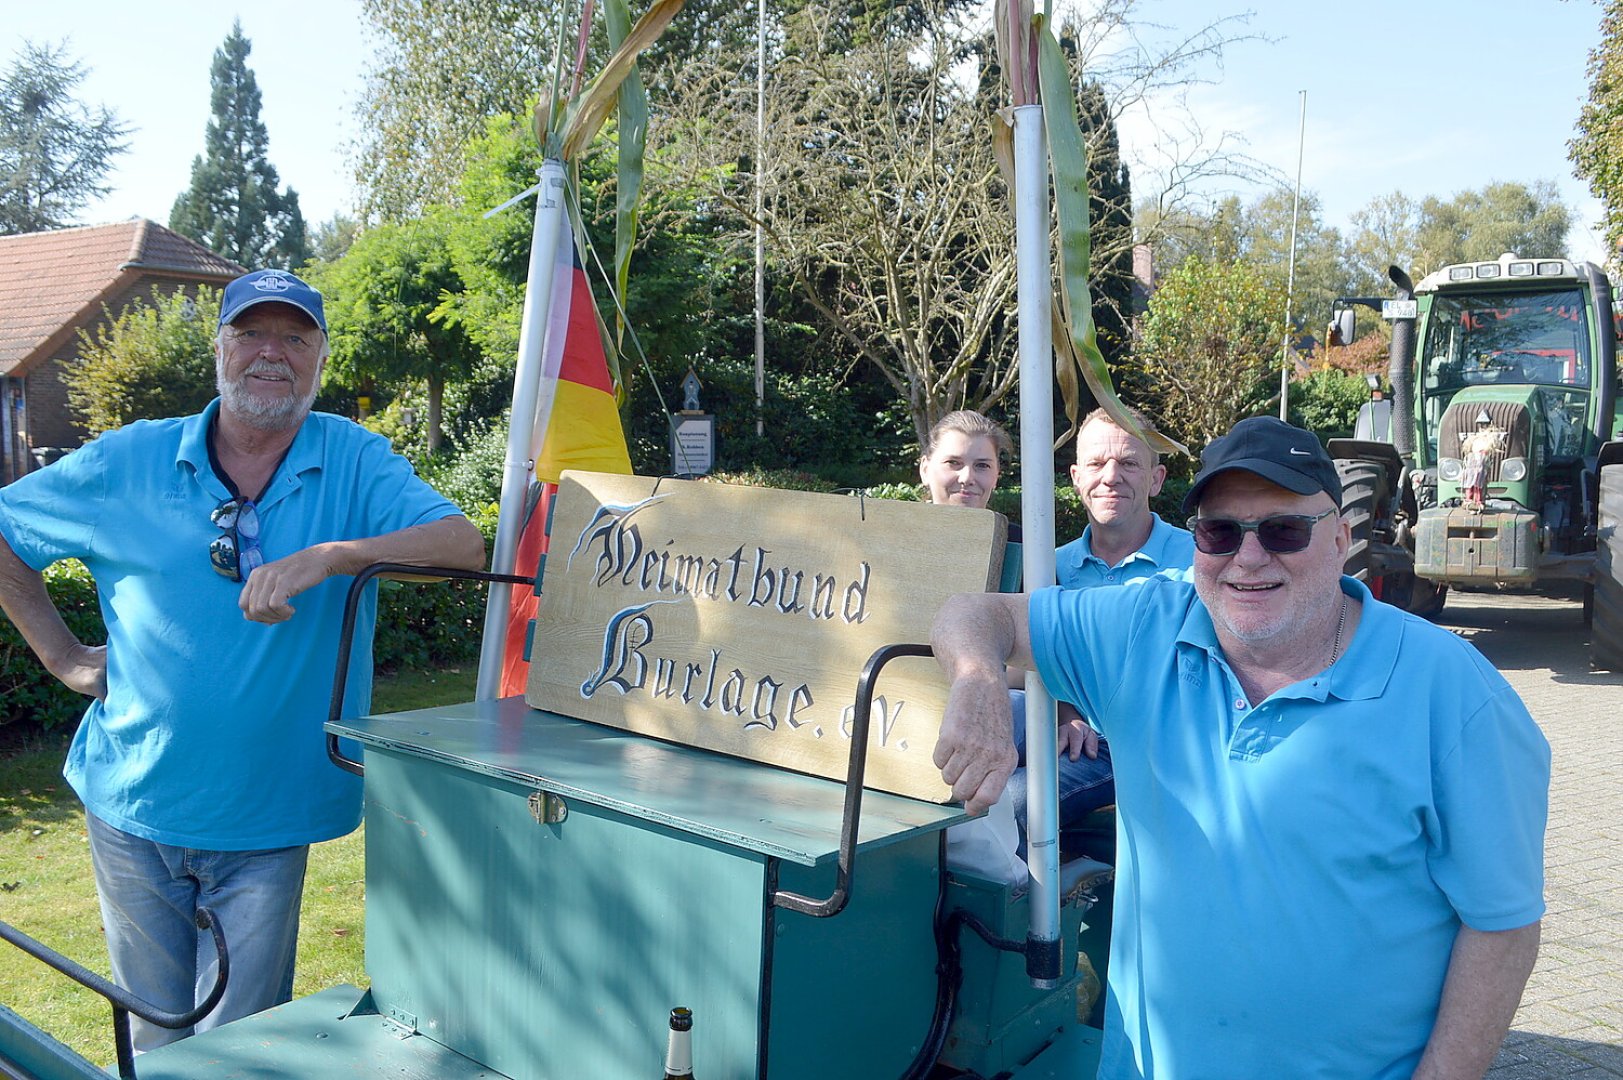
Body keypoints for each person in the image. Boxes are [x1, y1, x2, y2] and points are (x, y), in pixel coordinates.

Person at [928, 415, 1548, 1079]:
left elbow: (1501, 927)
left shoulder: (1452, 694)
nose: (1247, 558)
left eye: (1282, 530)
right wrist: (977, 681)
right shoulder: (1146, 625)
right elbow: (970, 614)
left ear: (1341, 538)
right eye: (1219, 532)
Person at [0, 269, 487, 1050]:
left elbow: (464, 546)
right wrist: (62, 657)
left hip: (268, 814)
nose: (272, 353)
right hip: (131, 803)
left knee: (241, 1051)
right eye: (251, 333)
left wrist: (332, 555)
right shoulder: (128, 460)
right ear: (220, 348)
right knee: (157, 1044)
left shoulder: (352, 459)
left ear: (320, 358)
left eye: (295, 337)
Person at [1006, 407, 1196, 842]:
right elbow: (1033, 654)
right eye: (1096, 463)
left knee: (1012, 803)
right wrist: (1064, 711)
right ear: (1076, 477)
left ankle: (1058, 899)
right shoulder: (1048, 566)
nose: (1111, 476)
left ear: (1157, 478)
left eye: (1129, 463)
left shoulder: (1197, 564)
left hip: (1149, 750)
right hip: (1069, 734)